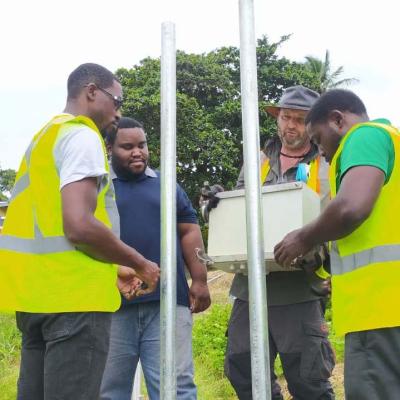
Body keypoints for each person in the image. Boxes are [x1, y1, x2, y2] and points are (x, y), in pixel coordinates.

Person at [0, 64, 160, 400]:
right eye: (116, 101)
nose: (119, 111)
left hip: (35, 300)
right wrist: (140, 262)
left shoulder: (45, 136)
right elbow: (79, 225)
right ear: (91, 92)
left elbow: (50, 226)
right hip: (74, 304)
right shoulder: (83, 135)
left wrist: (114, 267)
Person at [204, 86, 335, 400]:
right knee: (243, 369)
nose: (290, 126)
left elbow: (334, 219)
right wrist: (217, 202)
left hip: (300, 288)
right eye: (285, 117)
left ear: (313, 123)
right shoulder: (258, 159)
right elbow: (238, 205)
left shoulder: (327, 162)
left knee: (308, 379)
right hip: (251, 287)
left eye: (300, 120)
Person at [275, 89, 400, 400]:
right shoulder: (392, 141)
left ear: (338, 120)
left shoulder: (364, 136)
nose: (322, 153)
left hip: (380, 311)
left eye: (318, 140)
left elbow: (350, 208)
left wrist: (302, 238)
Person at [100, 117, 211, 400]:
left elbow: (188, 230)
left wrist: (199, 279)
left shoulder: (166, 185)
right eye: (127, 147)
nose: (137, 152)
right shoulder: (98, 188)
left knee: (176, 387)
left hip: (167, 303)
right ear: (110, 148)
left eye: (142, 145)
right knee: (108, 390)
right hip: (111, 306)